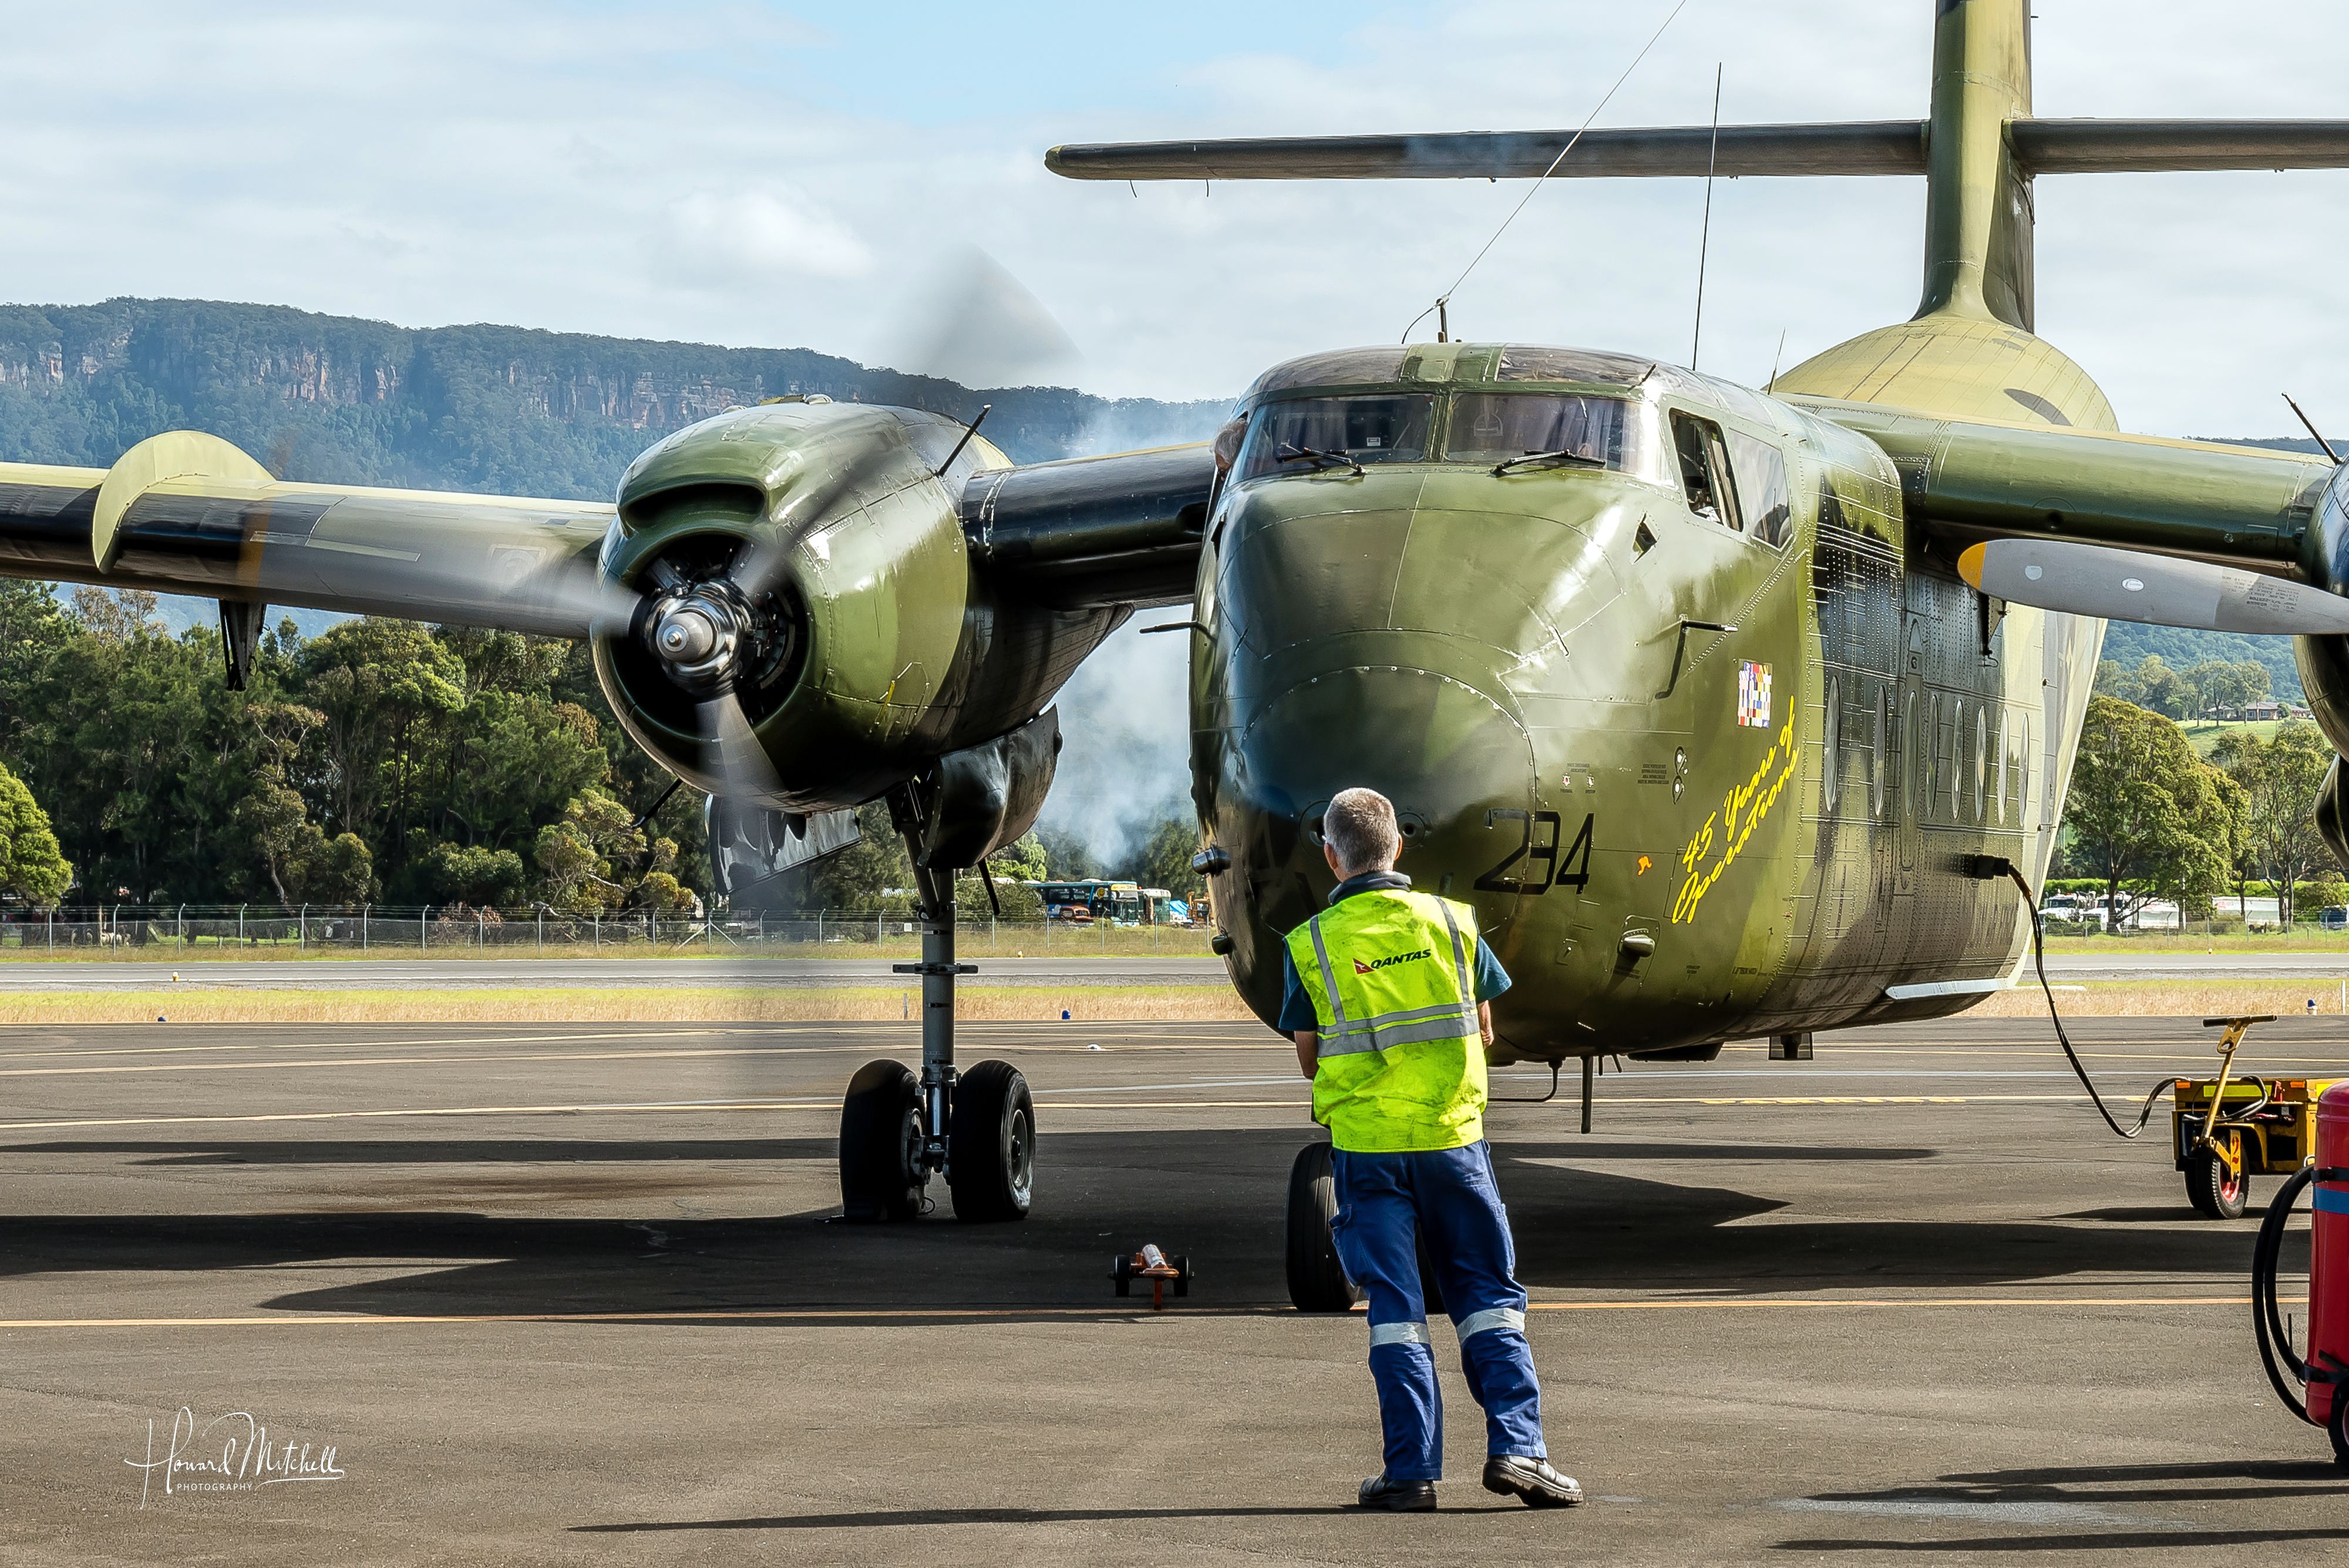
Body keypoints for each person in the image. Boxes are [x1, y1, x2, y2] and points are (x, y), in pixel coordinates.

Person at [1279, 786, 1581, 1513]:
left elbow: (1308, 1056)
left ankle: (1410, 1471)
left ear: (1330, 856)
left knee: (1395, 1308)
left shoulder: (1312, 944)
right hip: (1452, 1143)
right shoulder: (1452, 924)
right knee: (1487, 1300)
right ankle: (1519, 1450)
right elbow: (1484, 1028)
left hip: (1367, 1151)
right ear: (1399, 848)